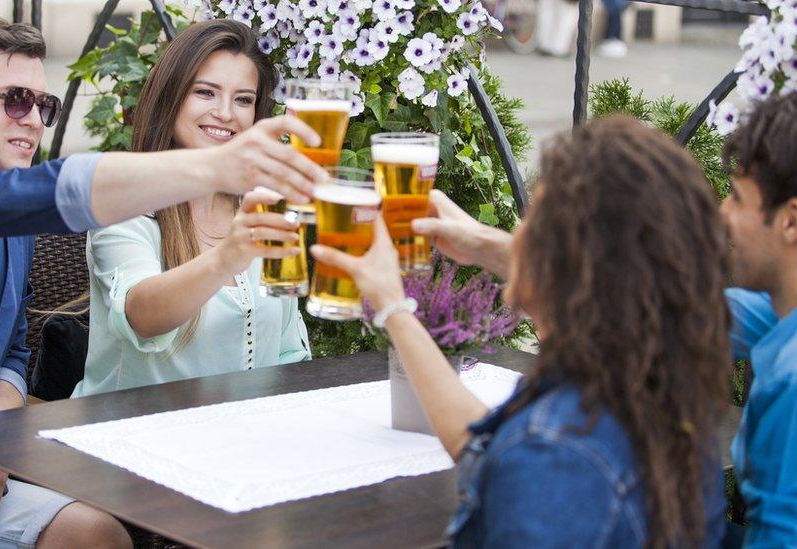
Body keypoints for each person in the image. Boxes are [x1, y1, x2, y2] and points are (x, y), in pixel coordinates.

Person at [0, 16, 325, 548]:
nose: (34, 121)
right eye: (15, 100)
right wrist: (215, 167)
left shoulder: (10, 228)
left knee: (94, 534)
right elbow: (25, 202)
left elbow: (12, 350)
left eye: (45, 106)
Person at [311, 116, 729, 546]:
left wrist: (391, 302)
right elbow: (481, 453)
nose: (519, 232)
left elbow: (527, 463)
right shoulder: (664, 398)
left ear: (560, 262)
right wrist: (403, 302)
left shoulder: (548, 456)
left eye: (534, 220)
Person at [71, 20, 311, 398]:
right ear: (172, 96)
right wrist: (226, 258)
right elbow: (142, 317)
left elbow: (287, 351)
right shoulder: (126, 204)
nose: (226, 113)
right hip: (127, 437)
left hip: (247, 440)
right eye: (205, 92)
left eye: (243, 99)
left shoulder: (264, 205)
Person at [718, 93, 797, 546]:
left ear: (790, 221)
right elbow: (682, 315)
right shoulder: (779, 311)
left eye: (736, 197)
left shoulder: (791, 382)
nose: (723, 214)